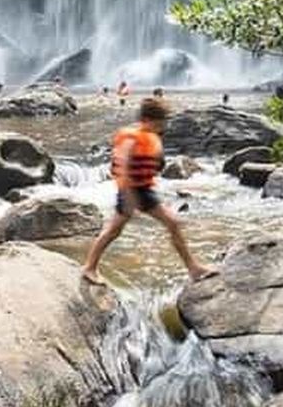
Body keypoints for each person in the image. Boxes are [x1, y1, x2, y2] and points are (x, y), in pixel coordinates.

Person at [82, 97, 216, 285]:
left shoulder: (151, 138)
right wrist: (128, 196)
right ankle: (89, 268)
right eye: (161, 121)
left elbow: (154, 166)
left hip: (144, 190)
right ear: (148, 119)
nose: (164, 125)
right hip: (131, 190)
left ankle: (193, 268)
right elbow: (123, 164)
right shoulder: (131, 136)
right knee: (113, 231)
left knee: (173, 224)